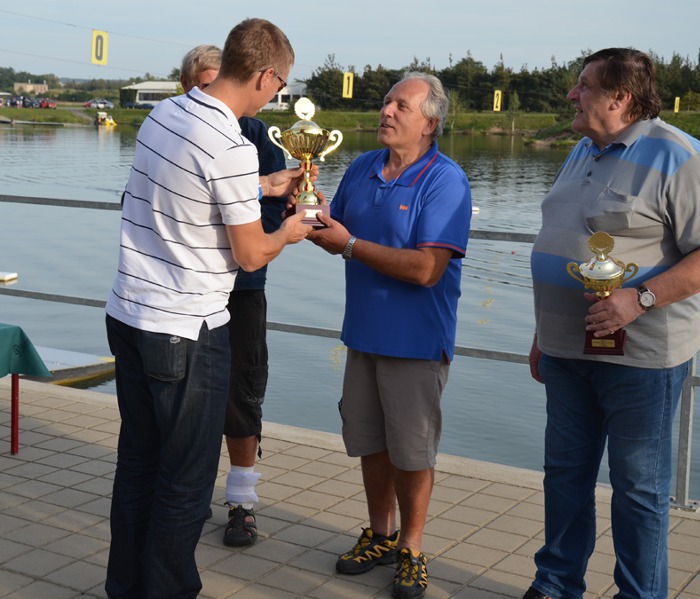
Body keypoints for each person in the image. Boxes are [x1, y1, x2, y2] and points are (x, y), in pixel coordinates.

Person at [524, 48, 700, 599]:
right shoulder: (582, 150)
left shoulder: (680, 157)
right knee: (565, 478)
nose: (571, 95)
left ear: (619, 97)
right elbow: (563, 244)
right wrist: (540, 335)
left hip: (641, 359)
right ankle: (555, 586)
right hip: (565, 352)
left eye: (583, 86)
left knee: (639, 490)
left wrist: (639, 298)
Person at [104, 19, 312, 599]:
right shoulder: (230, 144)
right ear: (267, 74)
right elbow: (250, 255)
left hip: (128, 313)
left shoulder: (166, 114)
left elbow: (191, 190)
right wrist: (290, 230)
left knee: (139, 465)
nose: (279, 94)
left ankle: (126, 587)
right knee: (186, 481)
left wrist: (266, 186)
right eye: (281, 84)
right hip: (186, 331)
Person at [307, 72, 471, 599]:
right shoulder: (361, 167)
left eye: (402, 105)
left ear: (430, 122)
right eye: (386, 101)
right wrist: (304, 208)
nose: (388, 111)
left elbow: (428, 269)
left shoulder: (445, 181)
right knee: (370, 444)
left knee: (412, 451)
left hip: (416, 342)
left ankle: (412, 549)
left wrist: (350, 244)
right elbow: (334, 231)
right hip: (362, 335)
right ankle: (380, 534)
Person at [180, 44, 290, 548]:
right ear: (189, 88)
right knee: (184, 397)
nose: (211, 93)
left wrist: (254, 228)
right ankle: (188, 491)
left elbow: (279, 210)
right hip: (187, 292)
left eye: (215, 81)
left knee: (242, 395)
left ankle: (242, 502)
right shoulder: (176, 130)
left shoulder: (257, 136)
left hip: (242, 290)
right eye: (201, 85)